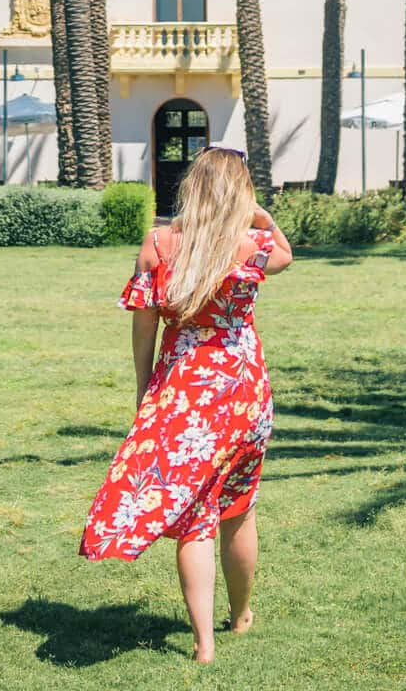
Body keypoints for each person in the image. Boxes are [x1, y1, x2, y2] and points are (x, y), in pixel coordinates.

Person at [79, 146, 293, 665]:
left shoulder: (159, 244)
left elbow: (144, 327)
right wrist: (263, 216)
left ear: (192, 187)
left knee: (194, 515)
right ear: (239, 192)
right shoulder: (252, 244)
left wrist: (142, 388)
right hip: (244, 391)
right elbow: (286, 255)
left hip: (184, 392)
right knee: (238, 508)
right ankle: (241, 615)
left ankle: (204, 644)